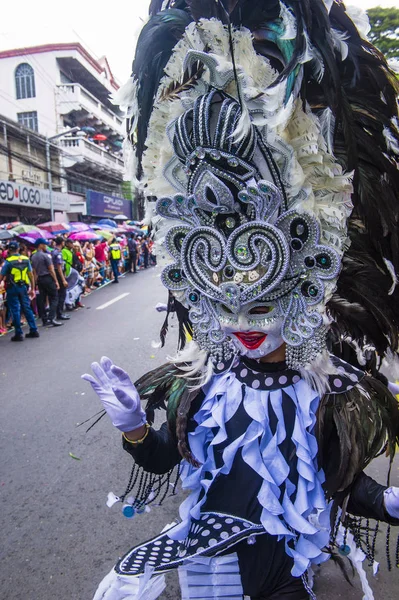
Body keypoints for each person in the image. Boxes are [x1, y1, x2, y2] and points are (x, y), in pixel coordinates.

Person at [83, 3, 399, 600]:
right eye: (223, 308)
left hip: (285, 572)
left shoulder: (324, 394)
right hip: (210, 570)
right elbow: (162, 460)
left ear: (302, 292)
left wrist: (385, 501)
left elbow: (337, 480)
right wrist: (130, 428)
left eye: (259, 307)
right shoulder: (199, 389)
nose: (243, 326)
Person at [0, 240, 39, 341]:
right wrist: (33, 288)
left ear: (9, 250)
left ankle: (19, 333)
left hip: (12, 287)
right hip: (23, 287)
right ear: (18, 249)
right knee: (27, 308)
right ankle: (33, 329)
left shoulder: (8, 262)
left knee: (15, 310)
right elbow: (31, 275)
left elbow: (1, 276)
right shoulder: (26, 259)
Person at [31, 238, 63, 327]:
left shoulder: (33, 256)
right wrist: (56, 281)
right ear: (40, 245)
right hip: (48, 278)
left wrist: (35, 282)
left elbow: (34, 272)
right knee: (54, 297)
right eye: (45, 245)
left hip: (40, 279)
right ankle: (52, 317)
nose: (46, 246)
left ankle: (44, 319)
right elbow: (51, 269)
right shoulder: (46, 256)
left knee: (42, 299)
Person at [51, 237, 70, 321]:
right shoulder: (58, 253)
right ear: (62, 243)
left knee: (58, 294)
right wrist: (63, 280)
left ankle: (58, 312)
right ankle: (59, 313)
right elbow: (59, 267)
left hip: (56, 273)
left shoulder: (52, 251)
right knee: (62, 294)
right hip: (59, 274)